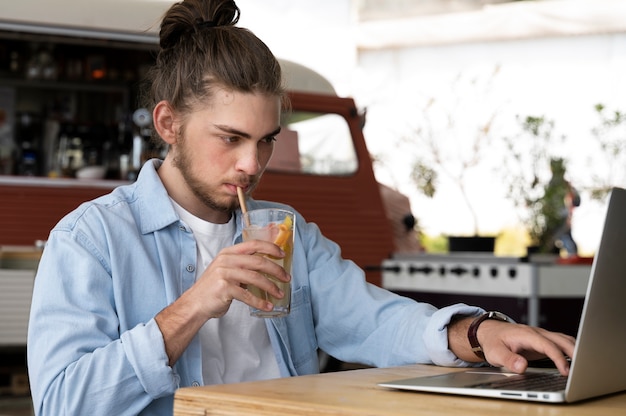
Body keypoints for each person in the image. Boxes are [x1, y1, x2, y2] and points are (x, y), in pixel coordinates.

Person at [27, 1, 575, 415]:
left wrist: (476, 334)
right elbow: (60, 402)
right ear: (169, 124)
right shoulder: (91, 239)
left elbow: (374, 320)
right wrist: (193, 306)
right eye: (230, 137)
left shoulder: (287, 231)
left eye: (266, 139)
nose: (251, 163)